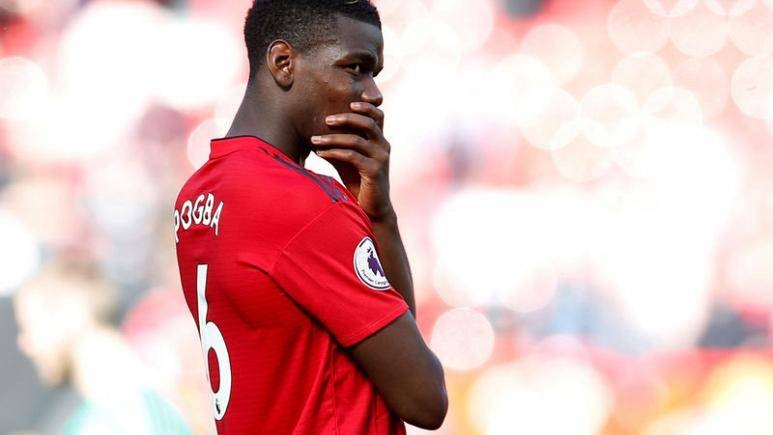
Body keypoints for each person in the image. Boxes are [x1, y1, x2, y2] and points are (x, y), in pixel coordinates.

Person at [173, 0, 448, 433]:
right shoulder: (302, 204)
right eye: (355, 68)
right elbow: (424, 399)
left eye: (374, 72)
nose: (373, 93)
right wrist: (378, 220)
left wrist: (378, 215)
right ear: (284, 63)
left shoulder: (196, 196)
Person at [13, 261, 192, 435]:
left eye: (28, 326)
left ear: (68, 312)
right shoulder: (137, 392)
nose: (25, 344)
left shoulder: (120, 404)